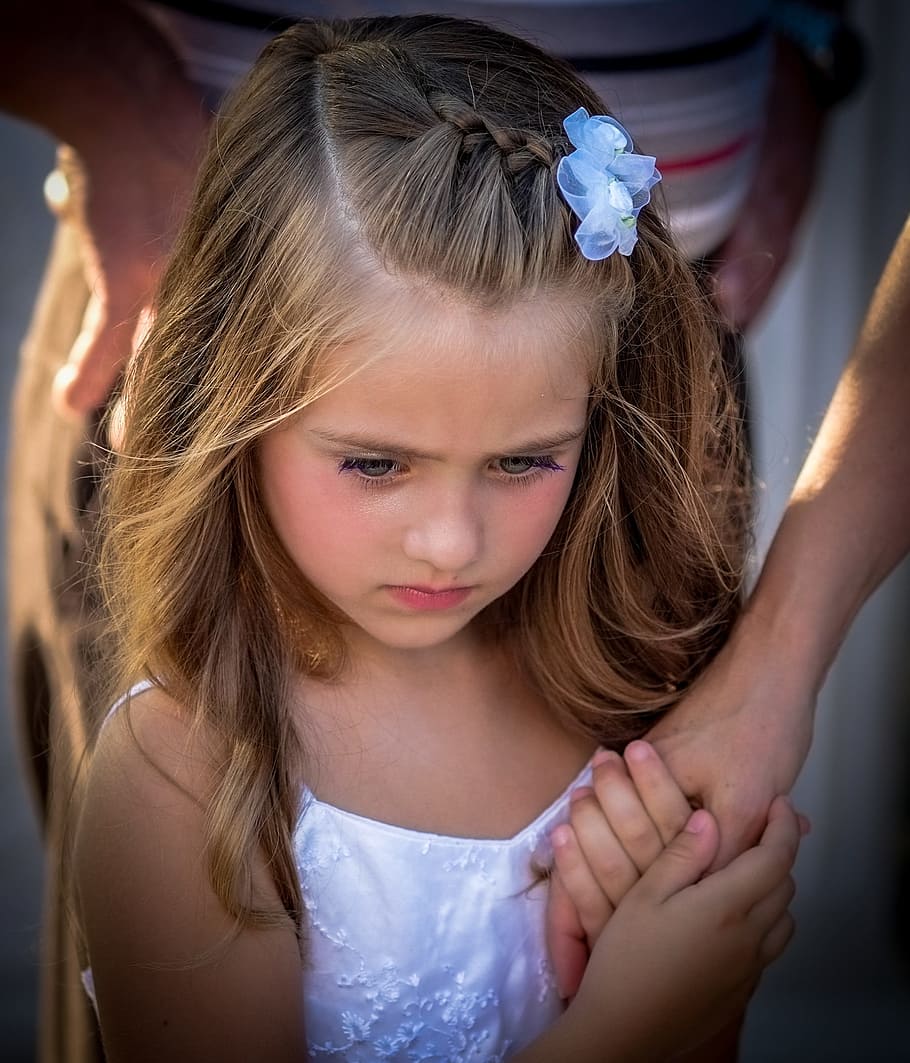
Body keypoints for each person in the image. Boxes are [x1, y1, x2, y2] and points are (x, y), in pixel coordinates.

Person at [0, 1, 872, 1059]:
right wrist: (629, 1023)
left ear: (601, 423)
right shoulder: (186, 779)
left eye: (523, 460)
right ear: (233, 407)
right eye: (375, 463)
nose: (452, 543)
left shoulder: (640, 700)